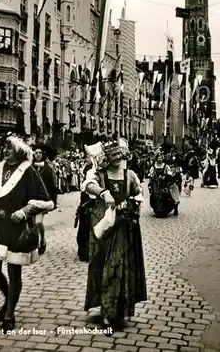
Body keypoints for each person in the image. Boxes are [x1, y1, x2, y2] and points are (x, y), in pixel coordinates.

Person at [0, 136, 54, 333]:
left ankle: (9, 313)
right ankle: (9, 298)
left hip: (15, 226)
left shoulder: (29, 171)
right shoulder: (0, 168)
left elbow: (44, 199)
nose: (5, 151)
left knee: (13, 272)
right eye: (4, 148)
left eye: (10, 148)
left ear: (19, 151)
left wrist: (25, 211)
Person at [81, 138, 147, 332]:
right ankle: (106, 309)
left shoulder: (130, 175)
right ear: (106, 158)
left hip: (124, 228)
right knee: (104, 266)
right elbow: (88, 185)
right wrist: (103, 193)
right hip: (104, 228)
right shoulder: (100, 175)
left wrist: (132, 204)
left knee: (119, 267)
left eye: (119, 154)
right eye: (113, 155)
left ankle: (114, 312)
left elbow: (139, 194)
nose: (117, 158)